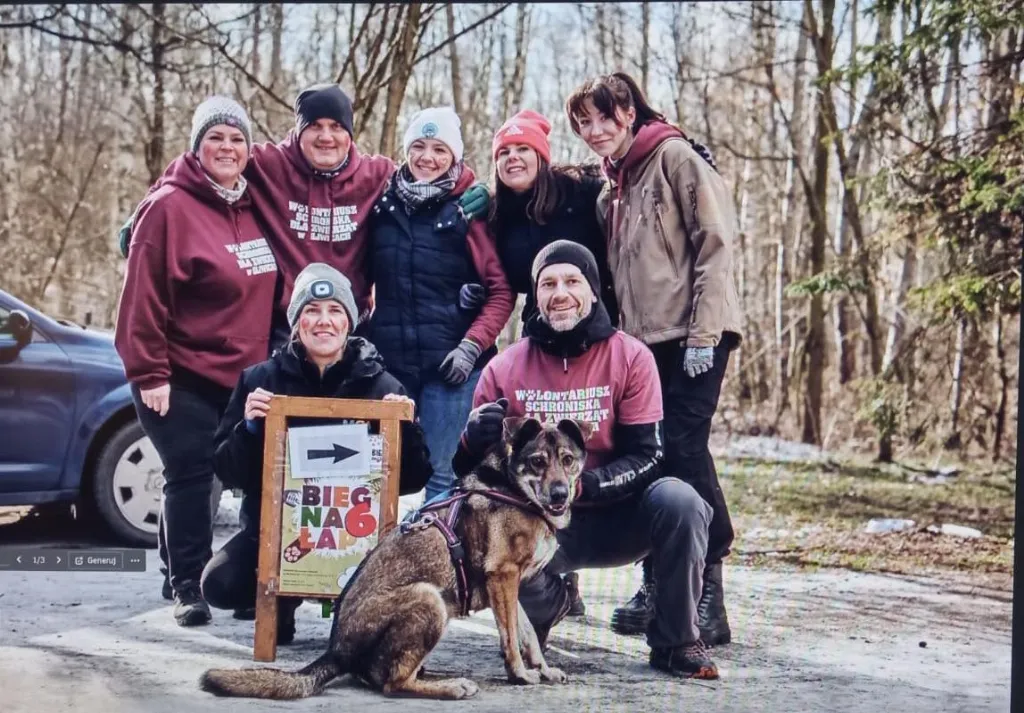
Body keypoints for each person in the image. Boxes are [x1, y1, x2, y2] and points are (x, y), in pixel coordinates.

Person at [452, 240, 719, 680]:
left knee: (681, 501)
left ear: (593, 290)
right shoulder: (505, 366)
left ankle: (676, 641)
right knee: (488, 534)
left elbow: (650, 456)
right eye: (548, 283)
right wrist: (470, 440)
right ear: (535, 296)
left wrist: (584, 487)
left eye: (572, 281)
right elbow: (474, 479)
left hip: (616, 517)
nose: (560, 292)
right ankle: (547, 606)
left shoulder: (631, 356)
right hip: (534, 529)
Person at [565, 71, 743, 646]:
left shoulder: (675, 158)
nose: (594, 131)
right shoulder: (612, 184)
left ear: (630, 113)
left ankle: (706, 591)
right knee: (650, 455)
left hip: (692, 335)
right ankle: (661, 580)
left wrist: (704, 335)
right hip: (642, 345)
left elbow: (716, 246)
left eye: (603, 118)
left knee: (685, 452)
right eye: (583, 123)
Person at [119, 84, 489, 349]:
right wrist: (143, 214)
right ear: (299, 130)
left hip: (352, 327)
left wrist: (477, 190)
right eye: (315, 126)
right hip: (283, 328)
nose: (326, 136)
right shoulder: (267, 165)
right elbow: (200, 162)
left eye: (336, 127)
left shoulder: (376, 175)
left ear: (349, 134)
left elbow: (430, 173)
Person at [200, 263, 433, 643]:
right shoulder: (260, 381)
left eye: (335, 311)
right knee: (221, 584)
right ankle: (282, 601)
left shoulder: (382, 385)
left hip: (355, 538)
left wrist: (406, 432)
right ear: (296, 322)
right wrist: (251, 428)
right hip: (278, 532)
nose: (323, 321)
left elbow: (413, 480)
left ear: (349, 322)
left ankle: (354, 611)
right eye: (311, 310)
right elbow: (229, 471)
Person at [114, 97, 280, 627]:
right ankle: (188, 585)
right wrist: (149, 373)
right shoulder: (168, 208)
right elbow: (141, 299)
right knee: (192, 471)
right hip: (177, 373)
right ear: (196, 146)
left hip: (240, 378)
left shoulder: (255, 207)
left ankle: (234, 577)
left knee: (254, 472)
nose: (227, 148)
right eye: (215, 138)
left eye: (237, 139)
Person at [366, 107, 514, 502]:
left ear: (455, 156)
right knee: (382, 476)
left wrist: (471, 347)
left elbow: (501, 292)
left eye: (439, 149)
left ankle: (436, 563)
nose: (427, 158)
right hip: (393, 368)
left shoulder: (470, 211)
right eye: (418, 146)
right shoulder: (382, 208)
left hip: (452, 372)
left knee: (443, 478)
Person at [487, 109, 618, 325]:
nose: (512, 157)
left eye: (523, 148)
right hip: (540, 327)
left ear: (541, 157)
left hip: (601, 322)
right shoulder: (496, 215)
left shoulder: (581, 191)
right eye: (504, 152)